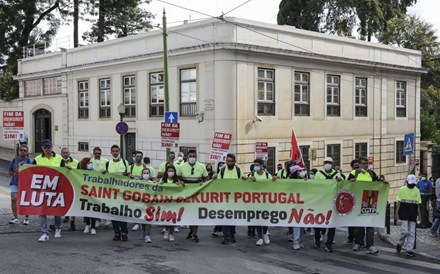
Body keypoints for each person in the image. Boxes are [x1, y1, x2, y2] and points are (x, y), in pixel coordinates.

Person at [348, 156, 387, 254]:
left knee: (370, 225)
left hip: (370, 201)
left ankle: (370, 245)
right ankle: (358, 243)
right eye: (364, 163)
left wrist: (383, 182)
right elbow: (346, 185)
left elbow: (377, 182)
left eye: (367, 163)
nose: (366, 165)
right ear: (359, 164)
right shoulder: (353, 173)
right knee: (359, 225)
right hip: (357, 201)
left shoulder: (371, 173)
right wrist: (350, 182)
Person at [33, 139, 65, 242]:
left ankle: (58, 228)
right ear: (42, 148)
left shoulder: (59, 159)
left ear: (52, 147)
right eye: (45, 147)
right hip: (42, 189)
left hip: (56, 189)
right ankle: (44, 233)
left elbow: (64, 173)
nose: (47, 149)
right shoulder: (37, 159)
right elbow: (31, 172)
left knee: (57, 210)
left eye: (49, 147)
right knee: (42, 211)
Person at [177, 149, 209, 242]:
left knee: (195, 215)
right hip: (185, 195)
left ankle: (195, 234)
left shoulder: (201, 166)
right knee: (188, 215)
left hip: (197, 195)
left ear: (196, 157)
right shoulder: (181, 167)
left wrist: (204, 184)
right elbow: (177, 177)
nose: (192, 158)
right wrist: (180, 181)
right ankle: (191, 231)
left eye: (194, 156)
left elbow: (206, 178)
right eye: (190, 156)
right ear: (187, 157)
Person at [215, 153, 247, 244]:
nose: (230, 163)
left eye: (231, 161)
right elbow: (217, 182)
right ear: (226, 161)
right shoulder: (222, 170)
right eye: (228, 161)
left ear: (234, 161)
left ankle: (232, 235)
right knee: (225, 218)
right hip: (224, 198)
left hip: (235, 199)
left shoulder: (238, 170)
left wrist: (246, 179)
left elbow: (243, 179)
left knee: (232, 218)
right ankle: (226, 236)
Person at [313, 157, 342, 252]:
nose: (327, 164)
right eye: (326, 162)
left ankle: (329, 243)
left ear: (332, 164)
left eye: (329, 162)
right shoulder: (318, 174)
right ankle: (317, 238)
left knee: (332, 224)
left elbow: (342, 186)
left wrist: (339, 181)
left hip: (332, 202)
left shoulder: (337, 174)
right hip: (321, 201)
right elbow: (314, 185)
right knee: (318, 222)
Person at [104, 144, 130, 241]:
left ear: (119, 151)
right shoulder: (107, 164)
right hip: (112, 193)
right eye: (113, 151)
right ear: (111, 152)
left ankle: (124, 232)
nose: (115, 153)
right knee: (114, 213)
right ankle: (116, 233)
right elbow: (104, 177)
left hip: (123, 193)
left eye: (117, 151)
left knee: (122, 213)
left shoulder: (125, 162)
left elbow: (128, 175)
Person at [249, 158, 275, 246]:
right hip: (256, 202)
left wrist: (275, 179)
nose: (255, 167)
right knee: (258, 220)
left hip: (266, 201)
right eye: (254, 165)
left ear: (261, 165)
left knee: (265, 219)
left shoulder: (267, 175)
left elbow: (273, 185)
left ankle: (265, 234)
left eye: (257, 165)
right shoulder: (252, 175)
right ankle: (259, 237)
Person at [395, 174, 422, 257]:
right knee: (405, 231)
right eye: (410, 184)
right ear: (407, 182)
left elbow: (417, 204)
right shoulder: (402, 189)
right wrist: (396, 213)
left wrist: (419, 215)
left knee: (412, 232)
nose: (412, 185)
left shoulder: (417, 190)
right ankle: (400, 243)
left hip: (413, 213)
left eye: (413, 184)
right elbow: (398, 202)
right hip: (404, 212)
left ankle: (409, 249)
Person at [8, 144, 32, 225]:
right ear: (19, 151)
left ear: (27, 152)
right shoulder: (14, 160)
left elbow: (33, 172)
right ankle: (15, 217)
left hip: (25, 184)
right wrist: (14, 174)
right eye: (21, 150)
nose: (23, 151)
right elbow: (10, 171)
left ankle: (26, 218)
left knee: (25, 200)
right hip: (15, 182)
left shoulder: (29, 161)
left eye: (25, 150)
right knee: (13, 198)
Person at [288, 165, 308, 250]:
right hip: (293, 205)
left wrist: (306, 183)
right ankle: (295, 242)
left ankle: (300, 241)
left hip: (302, 205)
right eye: (299, 171)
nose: (301, 172)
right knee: (296, 224)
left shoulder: (302, 180)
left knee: (302, 224)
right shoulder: (288, 181)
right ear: (295, 172)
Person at [160, 164, 181, 242]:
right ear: (166, 172)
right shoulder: (163, 180)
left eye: (172, 171)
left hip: (174, 202)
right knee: (166, 217)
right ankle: (166, 230)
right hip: (165, 202)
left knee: (172, 218)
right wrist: (160, 184)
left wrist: (180, 185)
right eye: (169, 171)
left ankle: (171, 234)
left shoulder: (177, 181)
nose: (171, 172)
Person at [78, 157, 99, 235]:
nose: (90, 164)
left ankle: (93, 227)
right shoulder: (80, 172)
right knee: (85, 211)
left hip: (92, 193)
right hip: (84, 194)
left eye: (90, 162)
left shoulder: (93, 171)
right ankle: (87, 225)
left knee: (92, 211)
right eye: (88, 163)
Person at [60, 147, 79, 231]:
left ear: (69, 153)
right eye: (63, 153)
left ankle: (72, 222)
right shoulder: (59, 162)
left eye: (67, 152)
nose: (65, 154)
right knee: (62, 203)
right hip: (62, 185)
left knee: (73, 203)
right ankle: (63, 218)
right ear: (61, 154)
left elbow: (80, 173)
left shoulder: (76, 162)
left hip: (73, 185)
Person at [347, 159, 360, 245]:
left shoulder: (364, 174)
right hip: (351, 200)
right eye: (354, 166)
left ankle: (358, 239)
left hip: (360, 199)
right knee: (351, 221)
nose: (356, 168)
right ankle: (351, 237)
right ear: (352, 167)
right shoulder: (351, 175)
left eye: (357, 166)